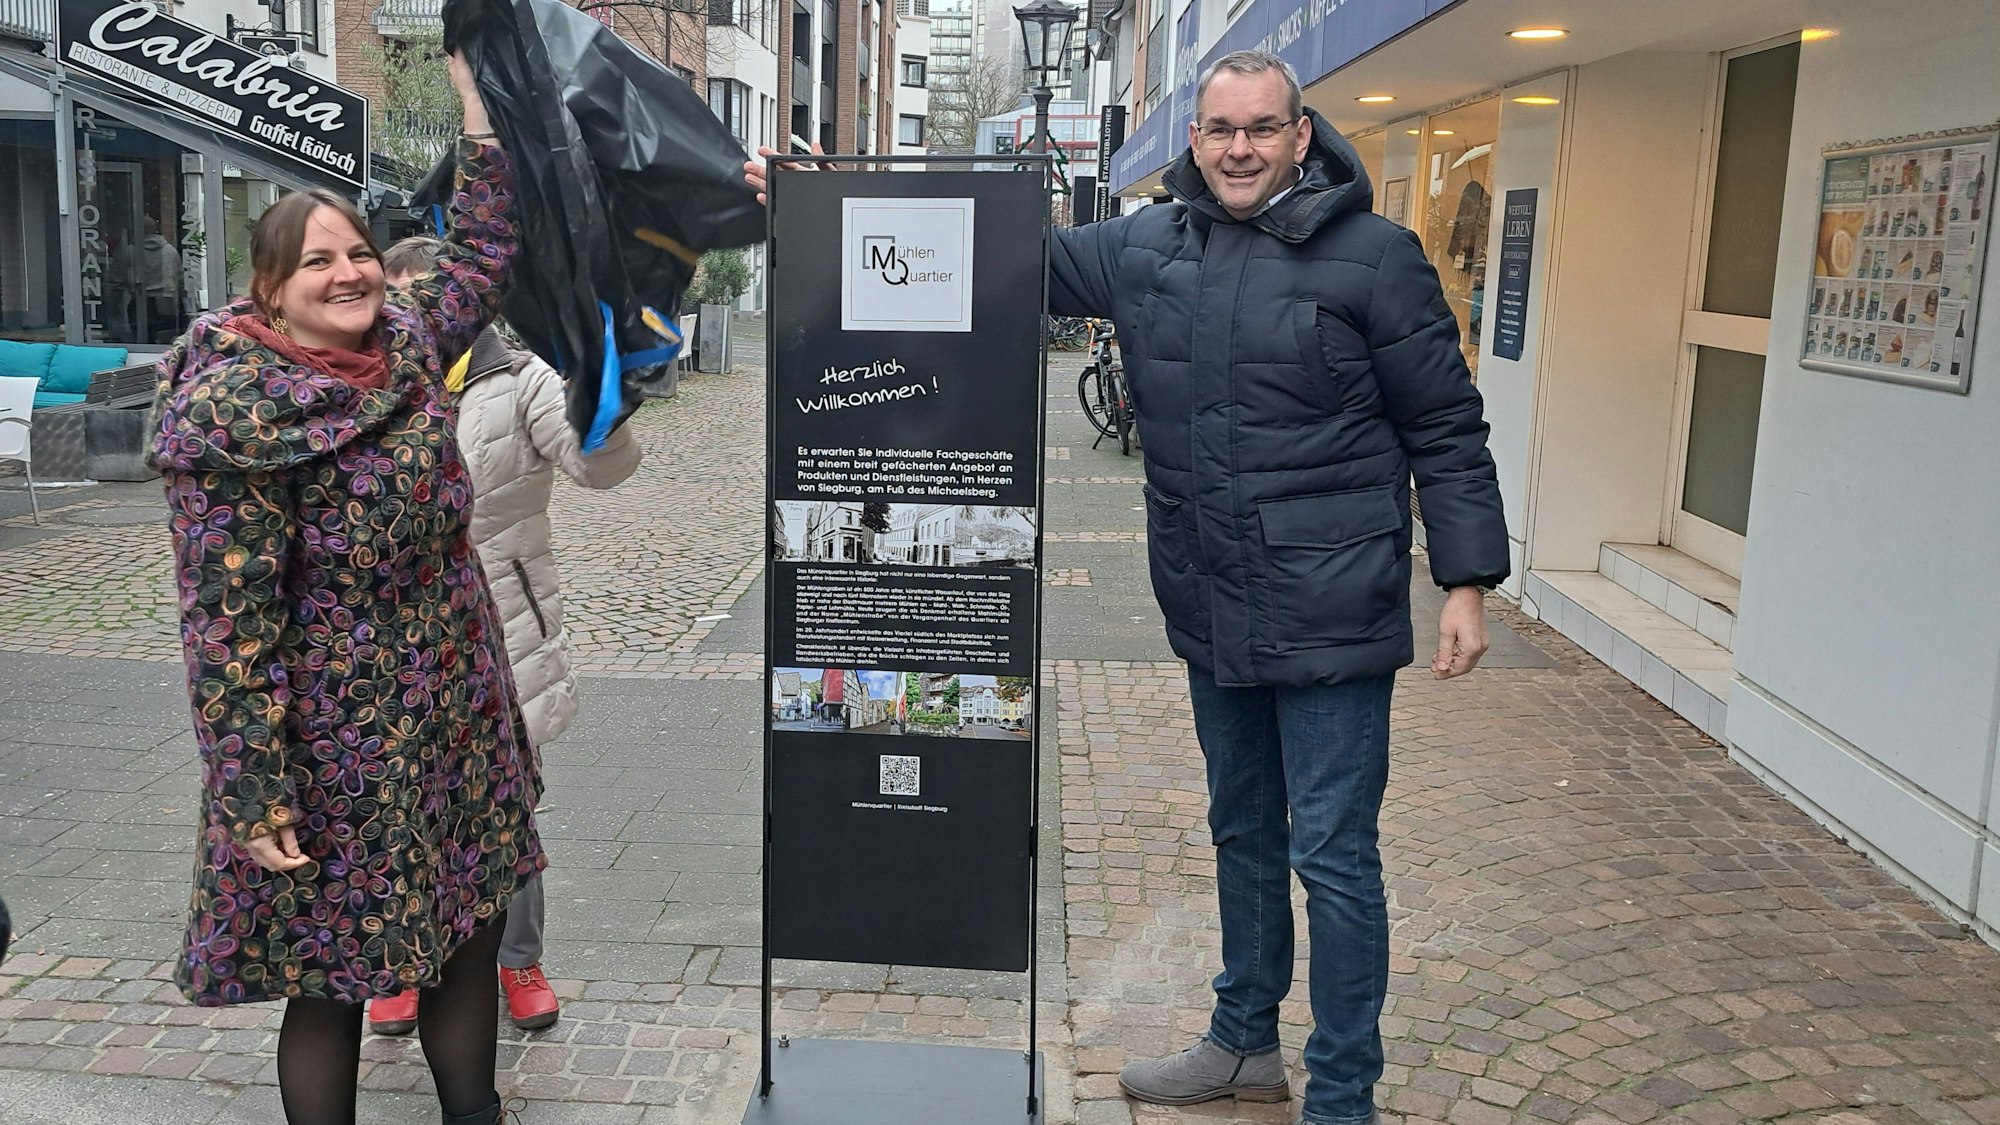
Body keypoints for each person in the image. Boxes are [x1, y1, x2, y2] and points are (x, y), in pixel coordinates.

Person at [747, 48, 1509, 1125]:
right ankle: (1244, 1042)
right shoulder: (1148, 243)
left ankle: (1342, 1095)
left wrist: (1467, 578)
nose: (1238, 148)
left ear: (1300, 136)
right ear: (1192, 139)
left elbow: (1441, 421)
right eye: (1218, 129)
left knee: (1332, 854)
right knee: (1241, 831)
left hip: (1334, 603)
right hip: (1209, 597)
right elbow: (1000, 255)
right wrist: (830, 199)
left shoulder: (1375, 258)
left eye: (1259, 129)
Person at [150, 53, 540, 1125]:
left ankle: (475, 1113)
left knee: (468, 924)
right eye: (318, 262)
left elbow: (480, 255)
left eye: (360, 252)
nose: (349, 274)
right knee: (330, 974)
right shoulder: (237, 424)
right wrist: (251, 787)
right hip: (333, 738)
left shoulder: (404, 348)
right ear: (269, 287)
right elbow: (225, 629)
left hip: (453, 709)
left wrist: (480, 111)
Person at [364, 237, 644, 1036]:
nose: (413, 315)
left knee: (507, 804)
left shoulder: (520, 380)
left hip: (500, 628)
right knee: (396, 803)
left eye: (427, 296)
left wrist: (608, 399)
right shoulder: (370, 383)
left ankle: (517, 958)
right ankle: (402, 964)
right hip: (395, 636)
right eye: (399, 299)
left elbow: (600, 466)